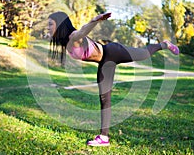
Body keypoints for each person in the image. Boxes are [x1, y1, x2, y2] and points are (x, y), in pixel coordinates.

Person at [48, 11, 179, 147]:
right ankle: (104, 137)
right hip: (104, 62)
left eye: (51, 24)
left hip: (112, 51)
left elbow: (82, 31)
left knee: (144, 54)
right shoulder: (65, 43)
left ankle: (164, 44)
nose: (49, 27)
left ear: (60, 25)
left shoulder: (73, 37)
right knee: (104, 98)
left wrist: (95, 20)